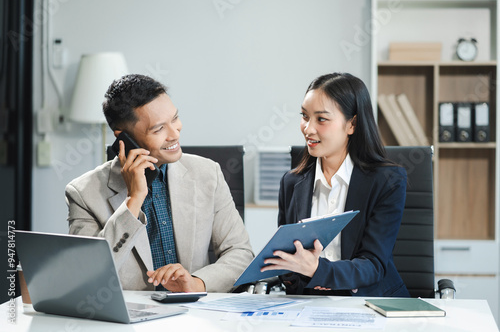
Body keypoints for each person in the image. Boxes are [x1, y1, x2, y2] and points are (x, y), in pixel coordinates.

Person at [65, 74, 254, 293]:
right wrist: (133, 201)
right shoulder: (83, 193)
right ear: (123, 137)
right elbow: (87, 275)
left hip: (196, 316)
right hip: (129, 322)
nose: (175, 133)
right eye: (158, 129)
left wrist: (196, 283)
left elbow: (241, 254)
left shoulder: (207, 173)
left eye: (175, 118)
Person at [261, 72, 410, 297]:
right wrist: (290, 271)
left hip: (369, 303)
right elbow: (287, 260)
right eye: (304, 116)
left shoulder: (387, 181)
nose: (308, 129)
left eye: (321, 119)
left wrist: (318, 270)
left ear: (352, 124)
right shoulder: (291, 183)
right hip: (309, 305)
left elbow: (373, 265)